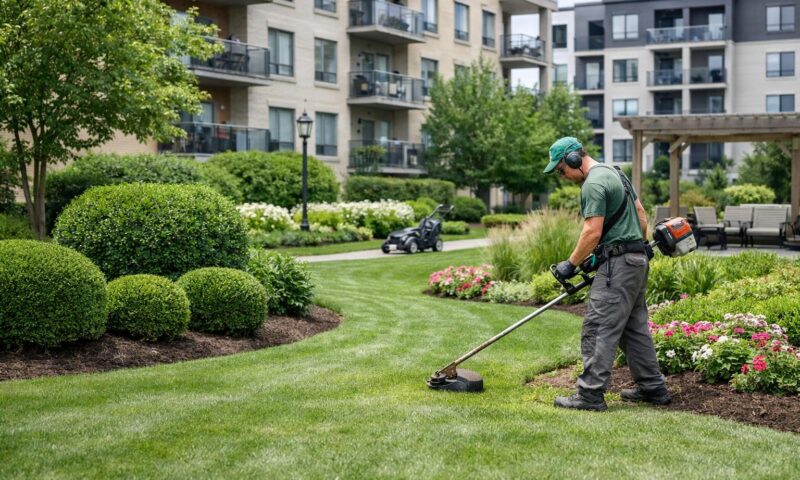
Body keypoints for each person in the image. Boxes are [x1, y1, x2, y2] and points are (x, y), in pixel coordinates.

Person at [544, 136, 671, 412]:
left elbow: (592, 231)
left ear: (573, 160)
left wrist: (571, 263)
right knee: (633, 329)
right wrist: (626, 249)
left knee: (598, 326)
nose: (562, 176)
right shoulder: (616, 174)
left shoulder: (593, 183)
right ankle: (653, 387)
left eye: (560, 169)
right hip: (637, 260)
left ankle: (589, 395)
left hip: (619, 268)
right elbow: (640, 215)